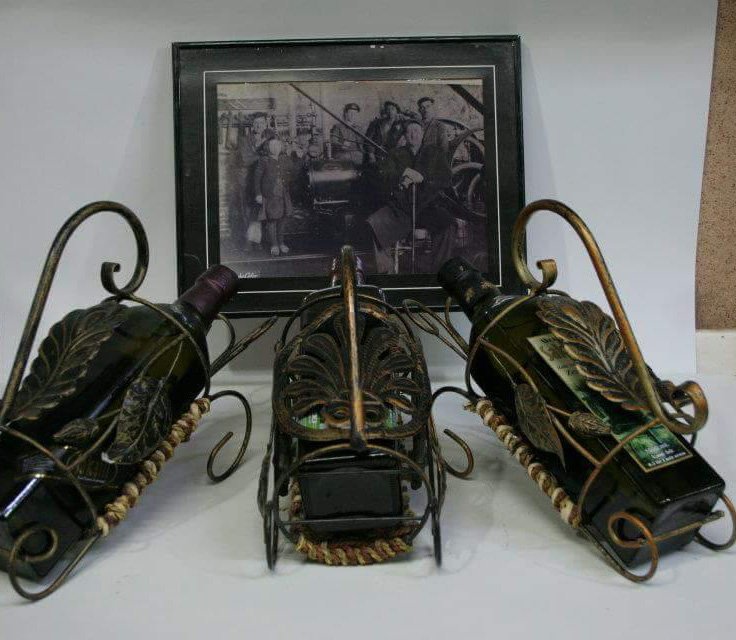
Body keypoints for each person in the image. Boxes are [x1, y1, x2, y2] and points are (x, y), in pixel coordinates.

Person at [367, 120, 456, 274]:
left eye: (416, 131)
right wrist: (400, 177)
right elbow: (381, 175)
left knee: (448, 225)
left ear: (422, 134)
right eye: (409, 132)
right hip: (401, 209)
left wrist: (423, 179)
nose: (413, 134)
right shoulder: (395, 154)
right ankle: (386, 273)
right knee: (374, 224)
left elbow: (446, 179)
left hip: (428, 208)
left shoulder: (435, 153)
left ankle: (439, 272)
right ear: (405, 136)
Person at [254, 138, 294, 257]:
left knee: (283, 219)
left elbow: (292, 170)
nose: (276, 147)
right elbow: (257, 179)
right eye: (273, 145)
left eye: (278, 145)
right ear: (268, 147)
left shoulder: (285, 158)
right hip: (270, 194)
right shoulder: (264, 160)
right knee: (272, 220)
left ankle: (281, 243)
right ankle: (274, 245)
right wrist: (258, 194)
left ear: (281, 147)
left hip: (283, 193)